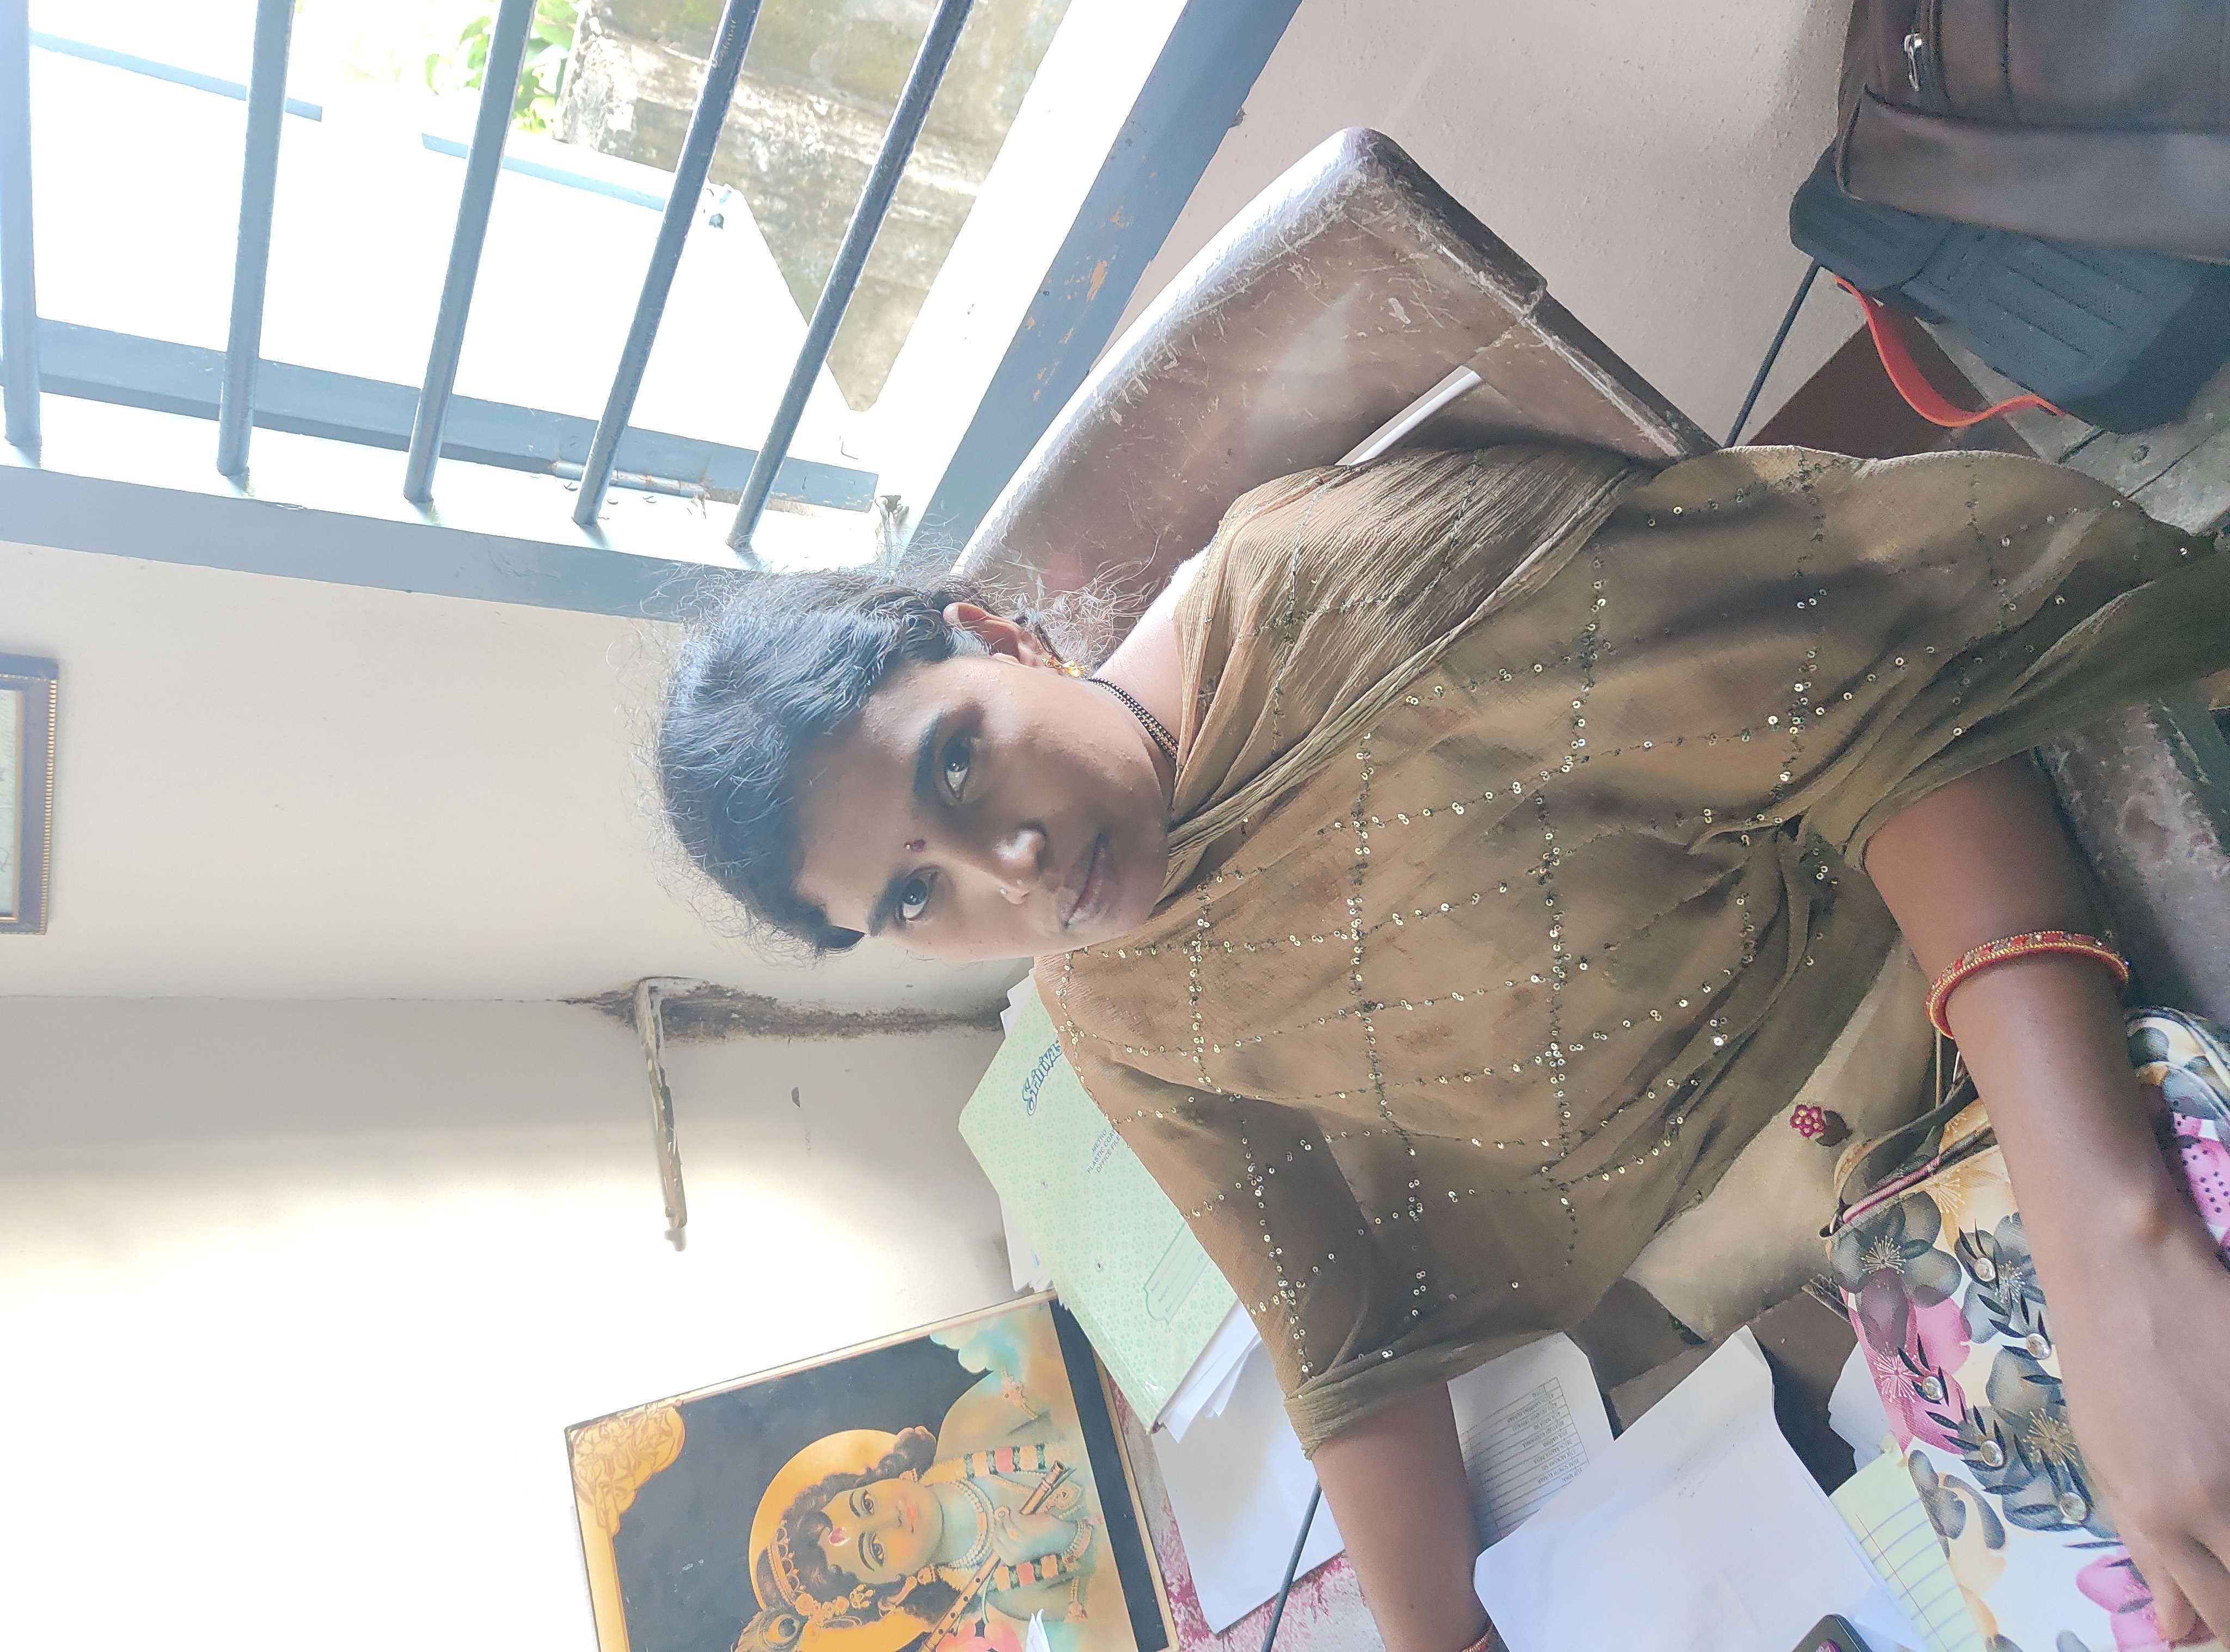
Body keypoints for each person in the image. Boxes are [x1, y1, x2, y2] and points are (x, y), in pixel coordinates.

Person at [661, 443, 2230, 1652]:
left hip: (1932, 1004)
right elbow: (1333, 1321)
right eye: (915, 896)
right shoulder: (1106, 998)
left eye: (956, 762)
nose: (1007, 870)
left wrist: (2118, 1243)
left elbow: (1885, 713)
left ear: (997, 634)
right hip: (1788, 1259)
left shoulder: (1340, 596)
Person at [736, 1311, 1106, 1652]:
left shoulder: (966, 1429)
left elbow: (1069, 1365)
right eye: (876, 1549)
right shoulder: (1008, 1594)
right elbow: (1115, 1589)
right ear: (894, 1592)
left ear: (869, 1481)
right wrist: (1065, 1538)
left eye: (867, 1504)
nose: (891, 1517)